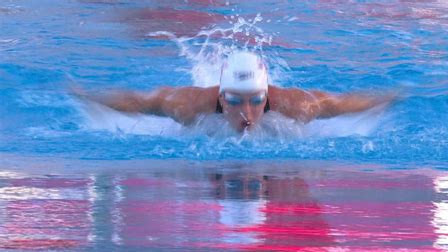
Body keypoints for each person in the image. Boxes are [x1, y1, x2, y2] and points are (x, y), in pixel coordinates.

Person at [74, 51, 395, 132]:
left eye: (257, 101)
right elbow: (139, 102)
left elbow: (341, 104)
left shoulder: (296, 106)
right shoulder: (187, 105)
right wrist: (83, 94)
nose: (247, 112)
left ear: (267, 95)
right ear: (220, 97)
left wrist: (395, 96)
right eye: (234, 101)